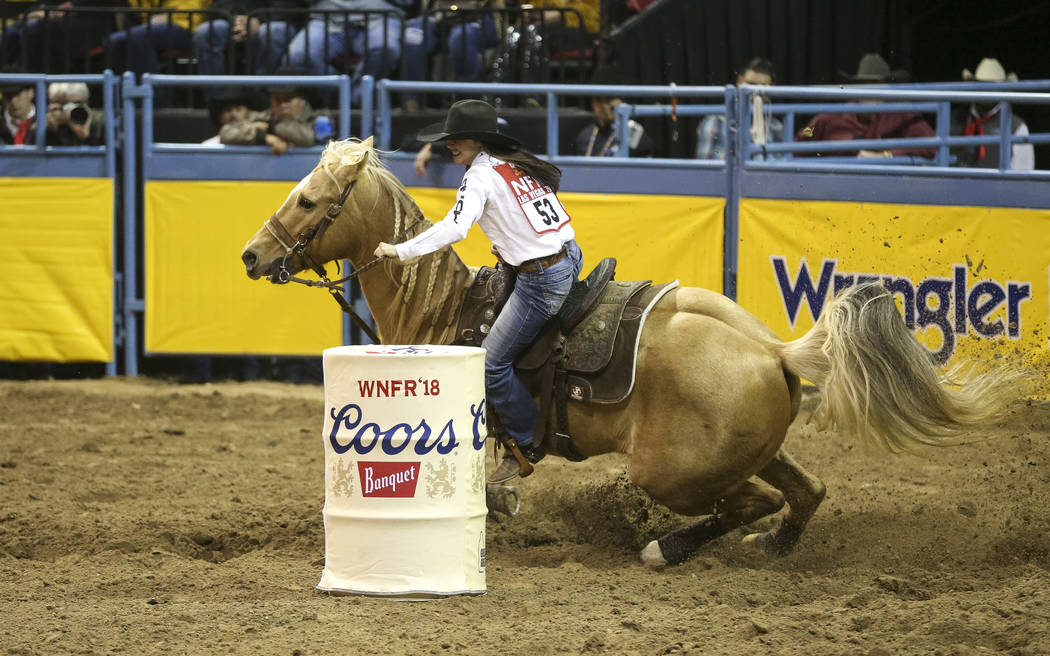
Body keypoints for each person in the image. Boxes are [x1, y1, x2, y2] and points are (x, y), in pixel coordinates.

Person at [373, 99, 583, 483]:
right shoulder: (514, 164)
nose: (449, 145)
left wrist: (401, 251)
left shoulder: (479, 176)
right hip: (569, 257)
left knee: (491, 362)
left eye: (457, 139)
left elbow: (456, 227)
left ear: (479, 141)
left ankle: (524, 441)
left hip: (541, 281)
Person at [795, 53, 935, 159]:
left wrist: (885, 155)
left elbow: (932, 145)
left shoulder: (901, 113)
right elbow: (801, 139)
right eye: (865, 84)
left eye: (877, 86)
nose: (870, 91)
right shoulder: (829, 117)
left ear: (887, 89)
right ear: (857, 88)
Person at [285, 0, 412, 106]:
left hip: (380, 18)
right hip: (326, 18)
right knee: (299, 55)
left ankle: (357, 100)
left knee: (385, 47)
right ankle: (337, 93)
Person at [400, 0, 505, 112]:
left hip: (479, 15)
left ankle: (470, 103)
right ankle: (412, 102)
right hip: (438, 15)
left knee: (461, 38)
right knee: (412, 37)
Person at [193, 0, 305, 101]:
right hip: (235, 20)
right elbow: (218, 4)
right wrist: (236, 19)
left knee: (270, 32)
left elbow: (289, 5)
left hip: (276, 19)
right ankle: (218, 103)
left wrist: (258, 20)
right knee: (206, 32)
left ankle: (262, 100)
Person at [950, 57, 1034, 170]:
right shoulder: (953, 119)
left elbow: (1024, 176)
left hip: (1000, 187)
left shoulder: (1016, 127)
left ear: (1002, 89)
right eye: (981, 85)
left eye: (992, 86)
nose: (986, 90)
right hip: (956, 186)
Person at [697, 57, 783, 160]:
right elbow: (706, 168)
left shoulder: (775, 127)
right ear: (739, 82)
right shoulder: (716, 122)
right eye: (751, 85)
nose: (755, 93)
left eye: (763, 88)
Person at [103, 0, 210, 81]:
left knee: (139, 37)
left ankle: (153, 100)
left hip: (186, 25)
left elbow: (190, 8)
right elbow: (140, 9)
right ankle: (125, 98)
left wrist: (167, 16)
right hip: (150, 25)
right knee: (112, 41)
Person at [219, 71, 317, 153]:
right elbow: (226, 133)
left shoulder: (318, 117)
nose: (282, 105)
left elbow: (310, 138)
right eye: (277, 100)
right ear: (270, 100)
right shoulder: (265, 116)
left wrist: (271, 128)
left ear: (302, 100)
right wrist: (263, 137)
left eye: (288, 99)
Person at [573, 66, 654, 157]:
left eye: (608, 99)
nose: (603, 106)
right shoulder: (584, 137)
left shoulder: (635, 136)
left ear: (620, 100)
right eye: (598, 100)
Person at [42, 81, 104, 145]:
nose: (69, 109)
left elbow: (111, 151)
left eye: (76, 103)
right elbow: (36, 150)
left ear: (86, 103)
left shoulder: (100, 121)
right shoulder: (46, 123)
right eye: (63, 104)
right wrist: (49, 130)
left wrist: (86, 136)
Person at [0, 73, 35, 145]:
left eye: (18, 95)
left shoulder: (47, 120)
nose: (13, 102)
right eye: (8, 97)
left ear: (31, 93)